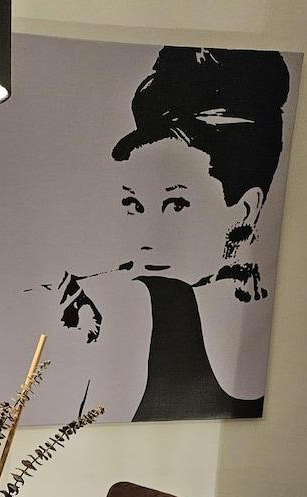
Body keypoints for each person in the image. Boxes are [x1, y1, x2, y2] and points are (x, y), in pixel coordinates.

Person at [45, 46, 290, 422]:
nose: (145, 238)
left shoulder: (271, 334)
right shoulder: (110, 307)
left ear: (245, 210)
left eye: (176, 205)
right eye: (133, 205)